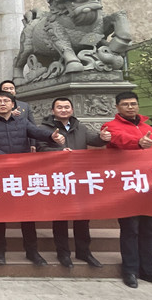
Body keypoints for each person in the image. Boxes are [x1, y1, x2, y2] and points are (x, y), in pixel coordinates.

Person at [0, 91, 65, 266]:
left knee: (27, 214)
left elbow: (37, 132)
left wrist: (51, 137)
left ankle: (32, 251)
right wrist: (4, 158)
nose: (3, 103)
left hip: (21, 174)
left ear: (13, 105)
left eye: (6, 101)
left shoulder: (22, 121)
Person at [103, 91, 152, 290]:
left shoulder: (148, 128)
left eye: (133, 104)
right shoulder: (110, 126)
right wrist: (138, 143)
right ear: (117, 107)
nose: (130, 107)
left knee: (150, 230)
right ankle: (130, 270)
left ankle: (150, 270)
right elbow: (117, 139)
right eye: (125, 104)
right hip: (127, 187)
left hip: (150, 187)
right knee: (130, 229)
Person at [38, 97, 109, 269]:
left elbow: (94, 140)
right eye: (59, 107)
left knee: (82, 217)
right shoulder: (44, 129)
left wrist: (103, 138)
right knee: (60, 218)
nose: (63, 110)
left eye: (66, 107)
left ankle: (84, 251)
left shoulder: (80, 127)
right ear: (53, 110)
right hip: (58, 178)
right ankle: (63, 253)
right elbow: (40, 148)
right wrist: (59, 151)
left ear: (72, 109)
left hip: (78, 178)